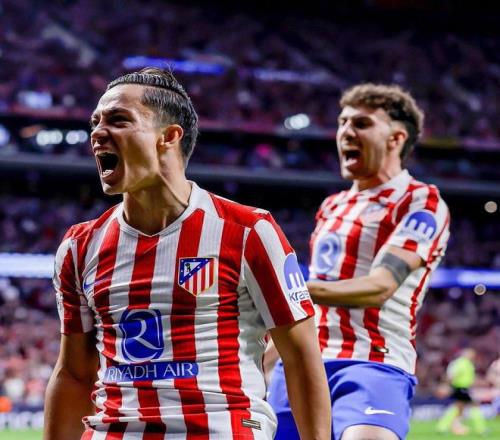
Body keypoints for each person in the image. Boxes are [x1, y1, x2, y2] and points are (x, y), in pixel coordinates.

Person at [43, 67, 331, 440]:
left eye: (118, 120)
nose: (97, 133)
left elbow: (300, 356)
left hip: (219, 428)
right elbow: (74, 373)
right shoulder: (79, 246)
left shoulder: (248, 231)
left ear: (169, 136)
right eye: (95, 122)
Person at [267, 83, 450, 440]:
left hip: (372, 363)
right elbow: (313, 305)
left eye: (362, 124)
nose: (346, 132)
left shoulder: (419, 201)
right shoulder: (332, 207)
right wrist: (266, 356)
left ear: (396, 138)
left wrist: (288, 288)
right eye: (343, 122)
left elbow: (380, 287)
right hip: (302, 366)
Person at [436, 348, 487, 435]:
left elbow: (467, 377)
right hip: (461, 388)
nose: (473, 356)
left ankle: (443, 426)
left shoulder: (464, 363)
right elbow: (452, 375)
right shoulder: (462, 363)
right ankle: (481, 429)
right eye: (471, 354)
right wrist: (447, 385)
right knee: (473, 405)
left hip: (462, 388)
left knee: (458, 408)